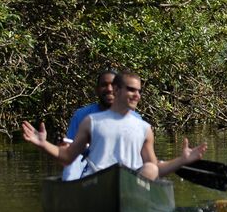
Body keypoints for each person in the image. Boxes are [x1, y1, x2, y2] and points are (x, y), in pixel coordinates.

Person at [22, 70, 206, 181]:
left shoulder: (144, 128)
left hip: (132, 184)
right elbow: (68, 157)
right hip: (97, 182)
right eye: (131, 90)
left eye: (139, 91)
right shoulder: (91, 121)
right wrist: (43, 144)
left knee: (150, 168)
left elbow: (155, 168)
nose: (137, 95)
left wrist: (182, 160)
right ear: (117, 90)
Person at [59, 69, 118, 181]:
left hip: (118, 164)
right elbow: (70, 148)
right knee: (73, 160)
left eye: (114, 85)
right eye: (104, 85)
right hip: (89, 163)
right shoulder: (81, 115)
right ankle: (71, 188)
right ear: (97, 90)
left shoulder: (134, 118)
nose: (109, 89)